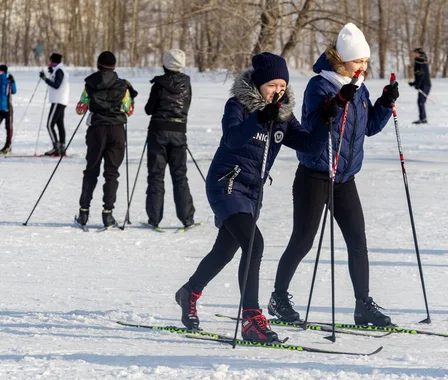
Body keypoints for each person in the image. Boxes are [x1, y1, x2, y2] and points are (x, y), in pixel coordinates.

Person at [175, 52, 328, 343]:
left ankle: (188, 292)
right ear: (258, 84)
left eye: (282, 86)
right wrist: (259, 117)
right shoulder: (238, 106)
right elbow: (232, 138)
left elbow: (310, 145)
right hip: (226, 184)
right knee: (254, 244)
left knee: (225, 251)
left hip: (252, 192)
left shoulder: (283, 116)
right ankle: (251, 318)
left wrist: (326, 120)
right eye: (272, 85)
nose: (278, 91)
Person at [269, 23, 398, 327]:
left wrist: (384, 102)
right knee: (303, 241)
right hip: (315, 174)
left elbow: (367, 128)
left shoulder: (360, 86)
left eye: (366, 61)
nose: (363, 66)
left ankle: (363, 304)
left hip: (344, 179)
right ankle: (279, 296)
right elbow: (316, 126)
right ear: (342, 59)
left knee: (357, 240)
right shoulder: (320, 85)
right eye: (358, 61)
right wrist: (338, 102)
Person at [75, 51, 137, 228]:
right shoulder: (123, 86)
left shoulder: (90, 84)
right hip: (117, 131)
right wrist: (130, 95)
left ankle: (84, 212)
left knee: (91, 170)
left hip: (96, 130)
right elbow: (129, 111)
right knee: (111, 173)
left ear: (98, 65)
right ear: (114, 66)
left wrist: (90, 103)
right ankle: (108, 214)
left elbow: (80, 109)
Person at [144, 49, 195, 229]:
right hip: (179, 133)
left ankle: (154, 218)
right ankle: (187, 218)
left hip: (158, 133)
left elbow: (149, 109)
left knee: (156, 176)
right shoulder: (187, 83)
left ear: (165, 64)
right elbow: (186, 107)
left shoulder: (158, 85)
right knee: (180, 176)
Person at [39, 53, 70, 156]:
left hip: (58, 100)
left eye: (51, 61)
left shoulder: (60, 70)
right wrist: (52, 73)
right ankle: (62, 148)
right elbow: (57, 80)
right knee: (59, 124)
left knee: (49, 124)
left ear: (55, 62)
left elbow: (56, 85)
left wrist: (45, 79)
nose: (50, 63)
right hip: (60, 100)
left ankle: (56, 147)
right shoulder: (59, 69)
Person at [408, 48, 431, 124]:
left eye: (415, 53)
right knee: (420, 102)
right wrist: (414, 83)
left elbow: (421, 75)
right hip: (423, 85)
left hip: (425, 85)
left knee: (421, 102)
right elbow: (419, 75)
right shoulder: (419, 61)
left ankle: (423, 119)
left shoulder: (420, 62)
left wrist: (417, 84)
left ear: (419, 54)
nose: (413, 55)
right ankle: (423, 118)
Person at [0, 65, 16, 155]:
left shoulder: (7, 80)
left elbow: (14, 91)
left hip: (7, 108)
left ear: (4, 72)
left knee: (8, 127)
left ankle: (8, 146)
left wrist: (12, 82)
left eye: (1, 71)